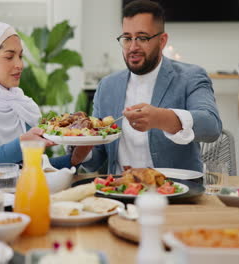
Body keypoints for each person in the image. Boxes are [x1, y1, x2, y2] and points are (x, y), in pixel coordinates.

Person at [82, 0, 222, 174]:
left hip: (176, 192)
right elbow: (95, 160)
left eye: (142, 38)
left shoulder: (190, 77)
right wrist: (80, 145)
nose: (133, 47)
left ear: (162, 41)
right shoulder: (107, 86)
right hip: (120, 191)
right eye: (127, 38)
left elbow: (211, 126)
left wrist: (160, 118)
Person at [0, 21, 89, 174]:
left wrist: (74, 159)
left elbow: (31, 168)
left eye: (20, 56)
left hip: (13, 191)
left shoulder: (22, 106)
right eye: (9, 57)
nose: (19, 64)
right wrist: (23, 143)